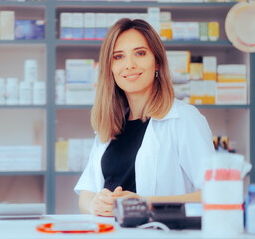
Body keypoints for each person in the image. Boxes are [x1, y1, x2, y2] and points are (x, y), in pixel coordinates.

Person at [74, 18, 215, 217]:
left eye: (140, 53)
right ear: (110, 68)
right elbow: (86, 193)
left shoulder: (183, 118)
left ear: (156, 61)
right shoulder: (110, 124)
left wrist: (144, 203)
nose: (129, 65)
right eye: (118, 57)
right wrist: (95, 205)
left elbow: (214, 193)